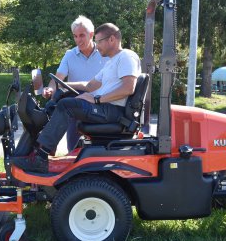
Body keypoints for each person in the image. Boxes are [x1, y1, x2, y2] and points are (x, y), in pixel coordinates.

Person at [13, 23, 141, 173]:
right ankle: (39, 150)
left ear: (112, 39)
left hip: (114, 111)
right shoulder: (111, 62)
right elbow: (89, 85)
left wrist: (97, 100)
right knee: (65, 98)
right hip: (106, 108)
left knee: (67, 106)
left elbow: (128, 88)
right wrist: (63, 85)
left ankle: (40, 157)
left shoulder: (126, 56)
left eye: (99, 41)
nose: (97, 45)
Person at [43, 15, 108, 152]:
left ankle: (51, 151)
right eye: (75, 36)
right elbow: (57, 79)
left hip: (100, 103)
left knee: (69, 107)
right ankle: (47, 152)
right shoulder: (69, 54)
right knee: (52, 108)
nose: (78, 40)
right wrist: (50, 89)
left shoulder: (105, 54)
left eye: (82, 35)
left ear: (91, 35)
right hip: (77, 103)